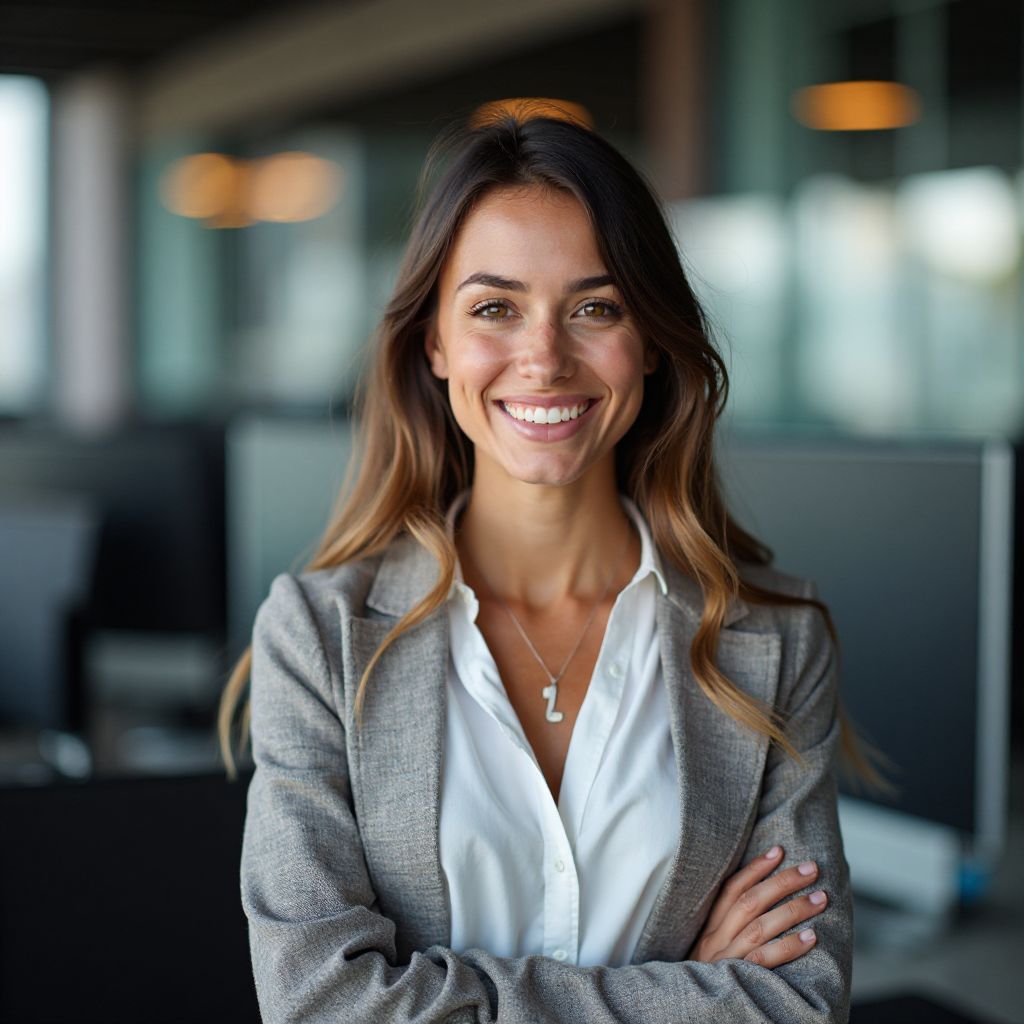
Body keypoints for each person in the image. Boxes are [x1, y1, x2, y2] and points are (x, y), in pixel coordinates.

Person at [218, 101, 888, 1023]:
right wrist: (692, 989)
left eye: (595, 307)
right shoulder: (318, 636)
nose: (544, 356)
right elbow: (320, 1002)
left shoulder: (773, 638)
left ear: (649, 341)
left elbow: (802, 1001)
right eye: (495, 307)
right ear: (436, 344)